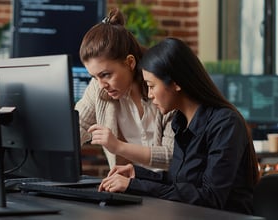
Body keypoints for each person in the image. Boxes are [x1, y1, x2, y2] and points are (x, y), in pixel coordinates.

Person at [98, 37, 260, 215]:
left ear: (175, 83)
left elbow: (210, 198)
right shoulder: (180, 122)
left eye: (151, 86)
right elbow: (180, 182)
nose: (150, 95)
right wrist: (138, 174)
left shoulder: (225, 124)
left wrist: (134, 186)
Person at [75, 8, 175, 169]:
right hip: (131, 187)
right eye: (94, 77)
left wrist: (118, 146)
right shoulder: (98, 89)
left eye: (106, 74)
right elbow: (75, 128)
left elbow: (172, 156)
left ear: (130, 62)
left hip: (168, 189)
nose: (101, 85)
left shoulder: (163, 87)